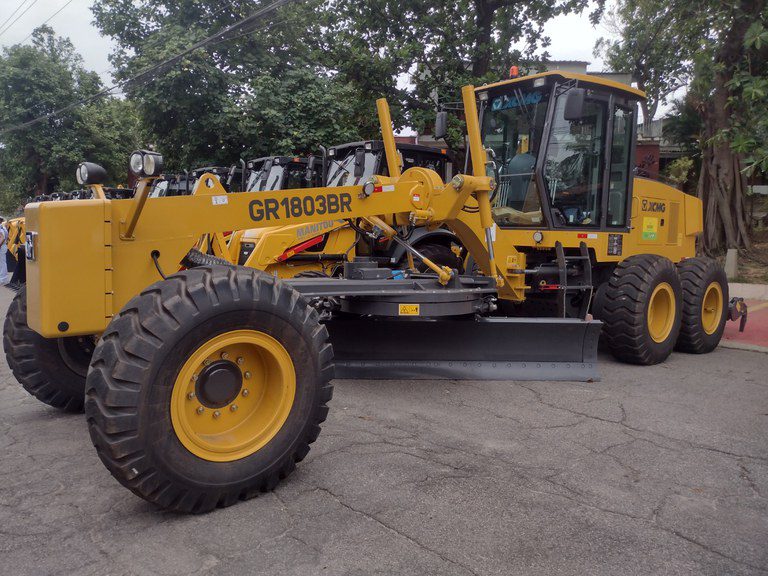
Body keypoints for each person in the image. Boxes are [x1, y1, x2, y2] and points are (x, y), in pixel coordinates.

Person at [0, 218, 8, 285]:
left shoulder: (1, 228)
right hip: (3, 246)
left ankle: (3, 279)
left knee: (2, 263)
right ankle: (2, 278)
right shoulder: (3, 228)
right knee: (2, 262)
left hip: (1, 247)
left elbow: (2, 238)